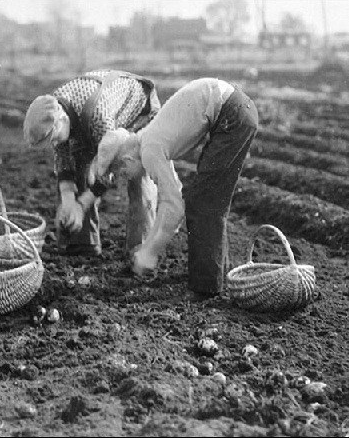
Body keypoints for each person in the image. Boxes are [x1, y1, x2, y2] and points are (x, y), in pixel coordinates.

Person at [90, 78, 258, 297]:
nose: (126, 178)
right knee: (207, 200)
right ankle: (216, 274)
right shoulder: (151, 139)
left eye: (122, 173)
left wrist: (149, 251)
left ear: (126, 159)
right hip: (235, 110)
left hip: (231, 115)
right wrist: (150, 243)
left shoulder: (149, 149)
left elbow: (174, 206)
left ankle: (205, 288)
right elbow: (173, 197)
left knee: (202, 203)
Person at [23, 69, 160, 256]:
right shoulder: (54, 110)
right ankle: (82, 244)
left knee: (139, 177)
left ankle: (142, 253)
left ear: (62, 120)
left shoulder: (97, 114)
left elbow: (108, 169)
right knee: (79, 162)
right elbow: (63, 157)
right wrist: (68, 200)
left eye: (54, 139)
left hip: (139, 113)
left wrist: (82, 205)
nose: (54, 144)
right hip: (100, 118)